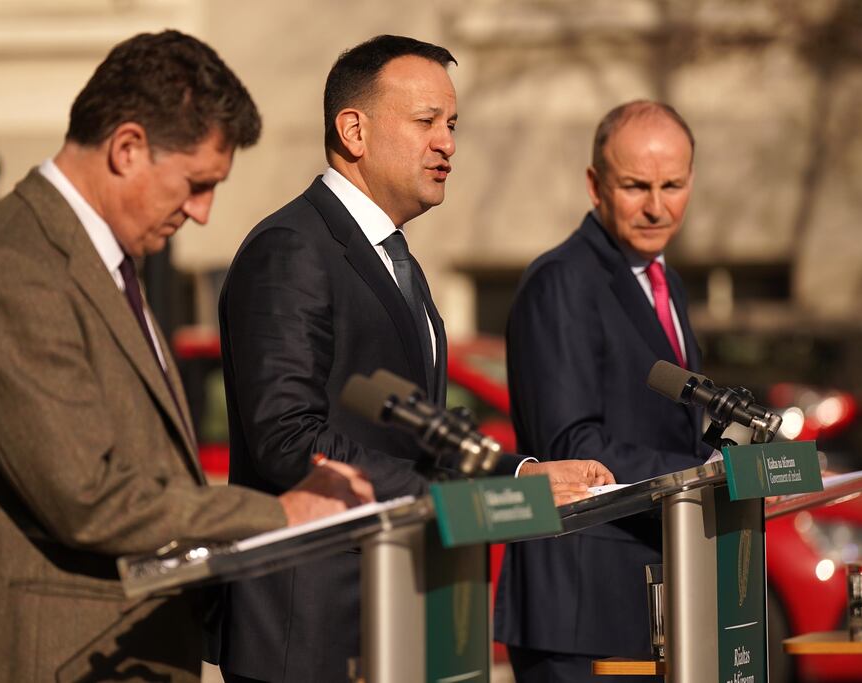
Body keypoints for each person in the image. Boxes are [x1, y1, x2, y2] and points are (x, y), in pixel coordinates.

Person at [0, 30, 374, 683]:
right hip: (42, 656)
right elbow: (86, 495)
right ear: (127, 148)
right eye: (196, 183)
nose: (203, 212)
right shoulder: (12, 263)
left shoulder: (104, 260)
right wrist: (282, 512)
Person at [215, 35, 612, 683]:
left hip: (401, 608)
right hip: (310, 631)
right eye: (426, 121)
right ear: (354, 130)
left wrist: (522, 469)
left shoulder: (397, 259)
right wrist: (464, 495)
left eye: (452, 124)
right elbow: (286, 439)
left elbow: (420, 429)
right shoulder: (291, 248)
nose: (448, 143)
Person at [493, 100, 714, 682]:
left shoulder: (666, 281)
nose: (656, 206)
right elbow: (573, 445)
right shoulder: (562, 280)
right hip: (578, 606)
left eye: (673, 185)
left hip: (647, 589)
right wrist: (706, 473)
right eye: (636, 186)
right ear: (595, 185)